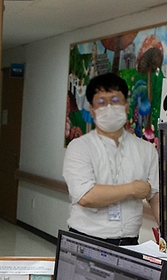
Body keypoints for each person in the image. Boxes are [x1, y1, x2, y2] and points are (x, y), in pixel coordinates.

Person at [62, 72, 159, 246]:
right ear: (92, 111)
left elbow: (155, 195)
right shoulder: (79, 147)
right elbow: (86, 196)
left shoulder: (146, 149)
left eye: (115, 100)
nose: (109, 107)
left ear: (126, 106)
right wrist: (132, 189)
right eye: (101, 102)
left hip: (129, 243)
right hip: (85, 240)